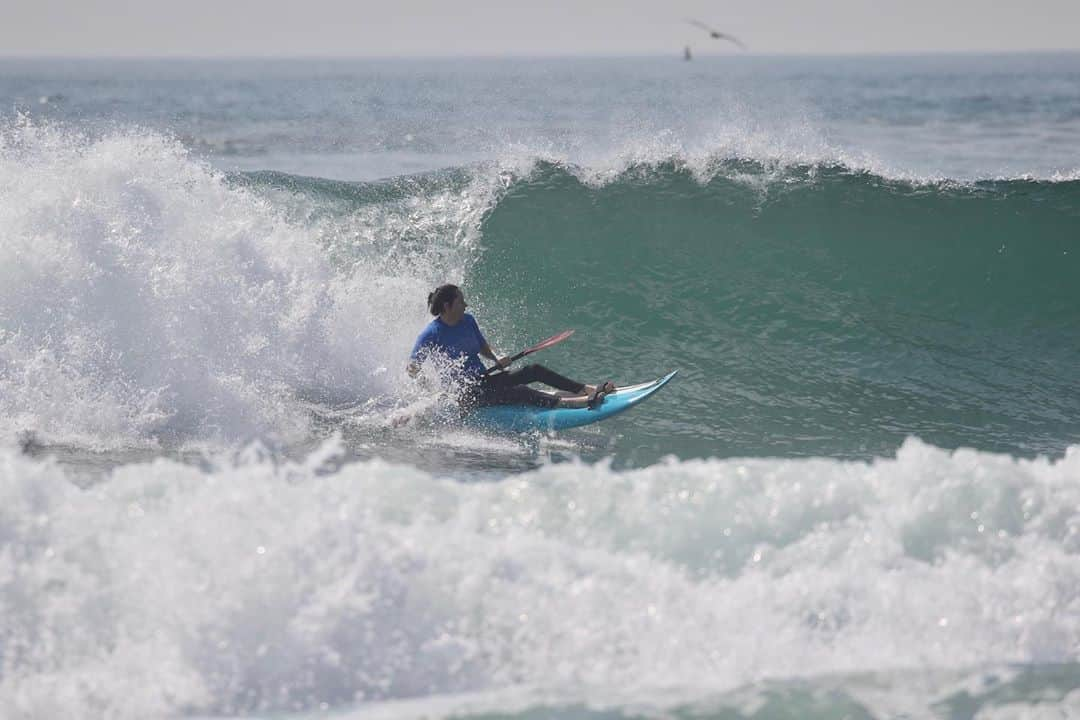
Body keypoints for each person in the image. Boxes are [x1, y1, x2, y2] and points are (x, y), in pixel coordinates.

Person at [408, 284, 615, 409]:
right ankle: (576, 403)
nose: (466, 305)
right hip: (466, 395)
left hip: (484, 381)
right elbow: (412, 369)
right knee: (521, 392)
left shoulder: (467, 321)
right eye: (461, 301)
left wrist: (497, 359)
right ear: (447, 306)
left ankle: (585, 389)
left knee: (532, 370)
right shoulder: (431, 334)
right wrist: (433, 391)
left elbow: (482, 346)